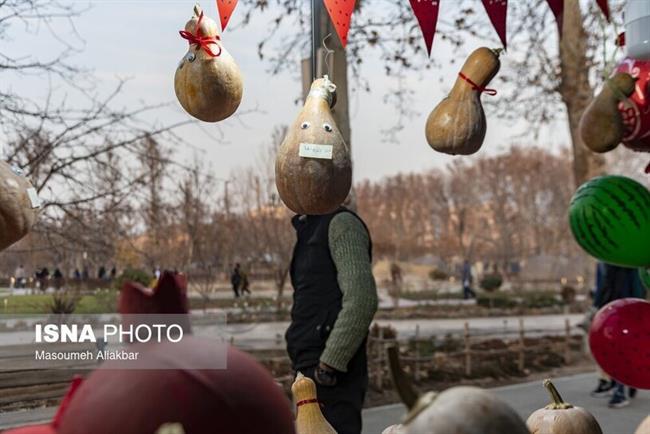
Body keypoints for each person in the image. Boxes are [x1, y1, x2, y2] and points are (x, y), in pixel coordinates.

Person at [285, 206, 378, 434]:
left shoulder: (341, 224)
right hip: (309, 370)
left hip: (330, 377)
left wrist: (329, 365)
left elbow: (361, 299)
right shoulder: (308, 227)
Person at [589, 262, 645, 408]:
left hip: (626, 309)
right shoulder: (605, 262)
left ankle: (619, 391)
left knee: (622, 349)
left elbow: (637, 285)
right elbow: (602, 285)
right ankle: (620, 388)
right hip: (612, 311)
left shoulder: (627, 259)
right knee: (614, 350)